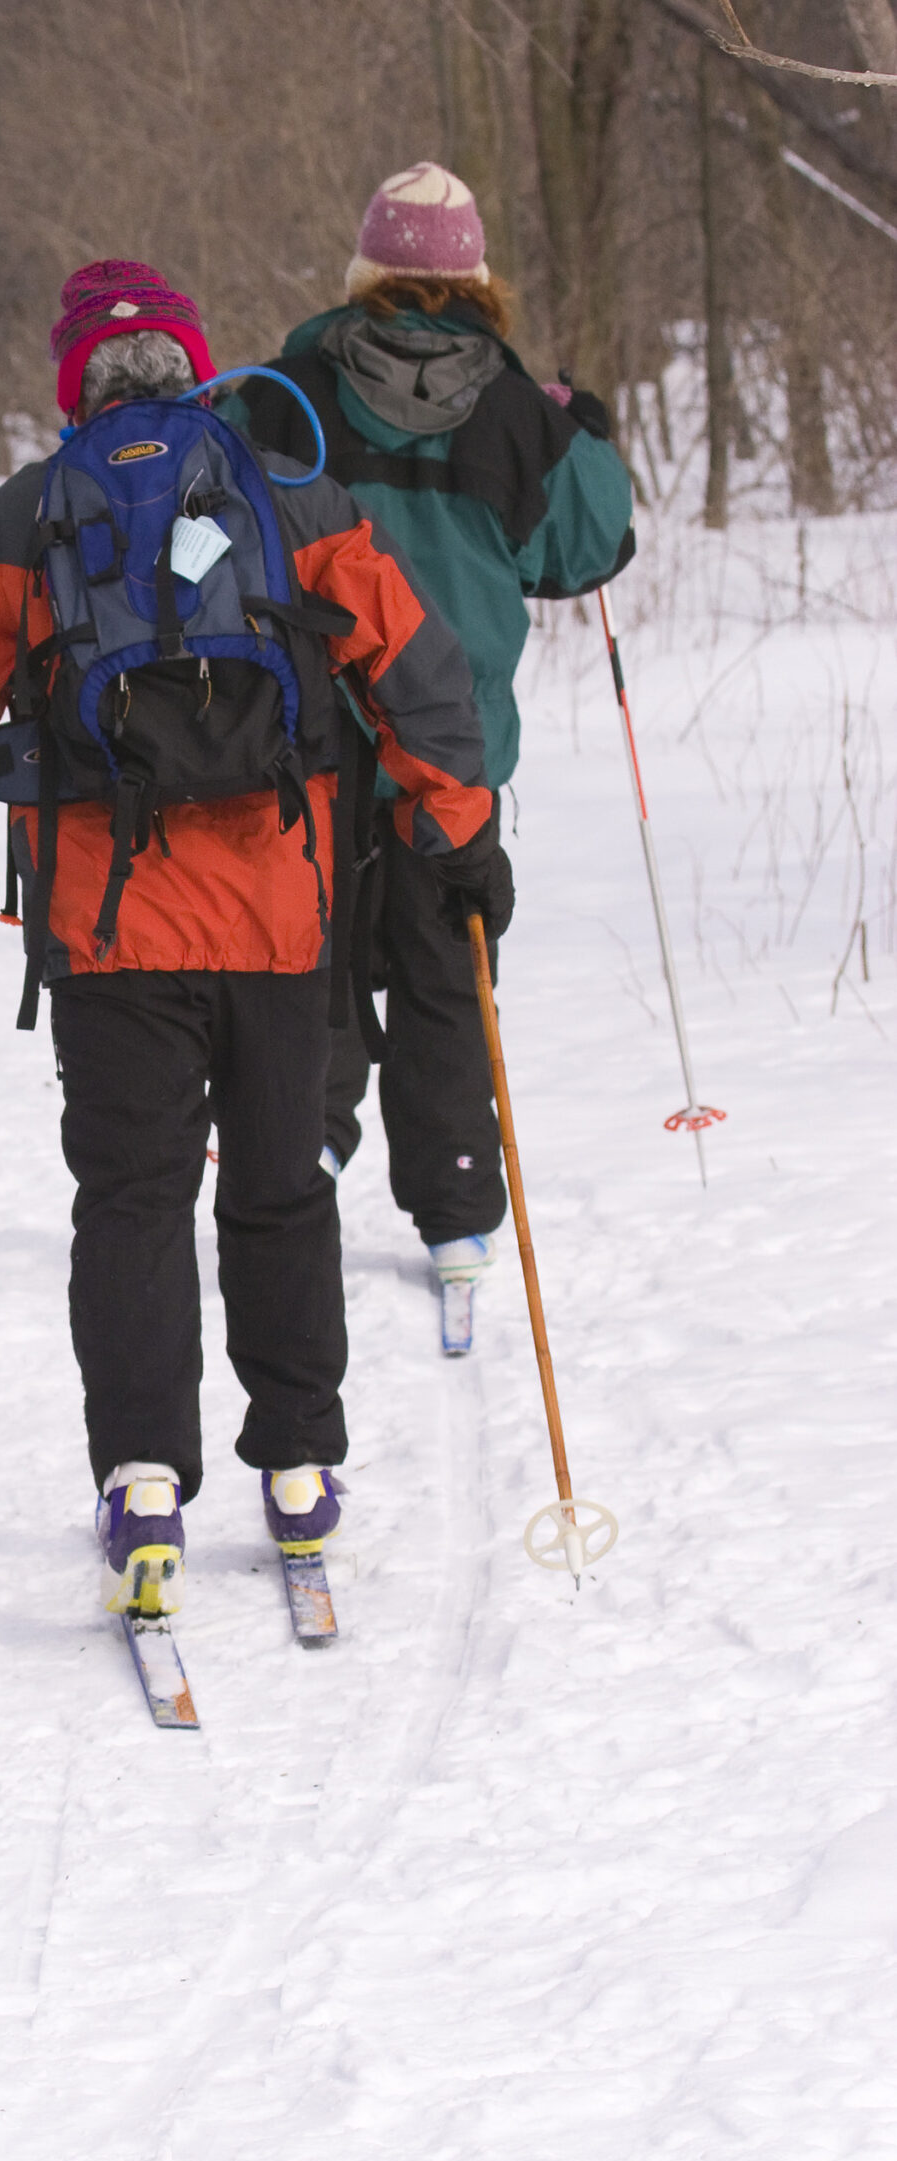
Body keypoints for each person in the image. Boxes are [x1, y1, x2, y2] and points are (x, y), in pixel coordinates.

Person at [0, 257, 510, 1614]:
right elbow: (413, 664)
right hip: (283, 920)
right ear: (193, 360)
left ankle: (142, 1486)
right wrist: (456, 833)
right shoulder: (288, 489)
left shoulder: (28, 509)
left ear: (73, 381)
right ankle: (295, 1468)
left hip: (110, 934)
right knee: (279, 1189)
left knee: (131, 1199)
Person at [235, 165, 634, 1342]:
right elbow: (588, 549)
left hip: (308, 734)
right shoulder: (520, 413)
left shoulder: (290, 391)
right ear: (473, 278)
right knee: (443, 972)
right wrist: (587, 439)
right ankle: (457, 1208)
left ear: (368, 271)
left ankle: (298, 1147)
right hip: (451, 747)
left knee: (309, 962)